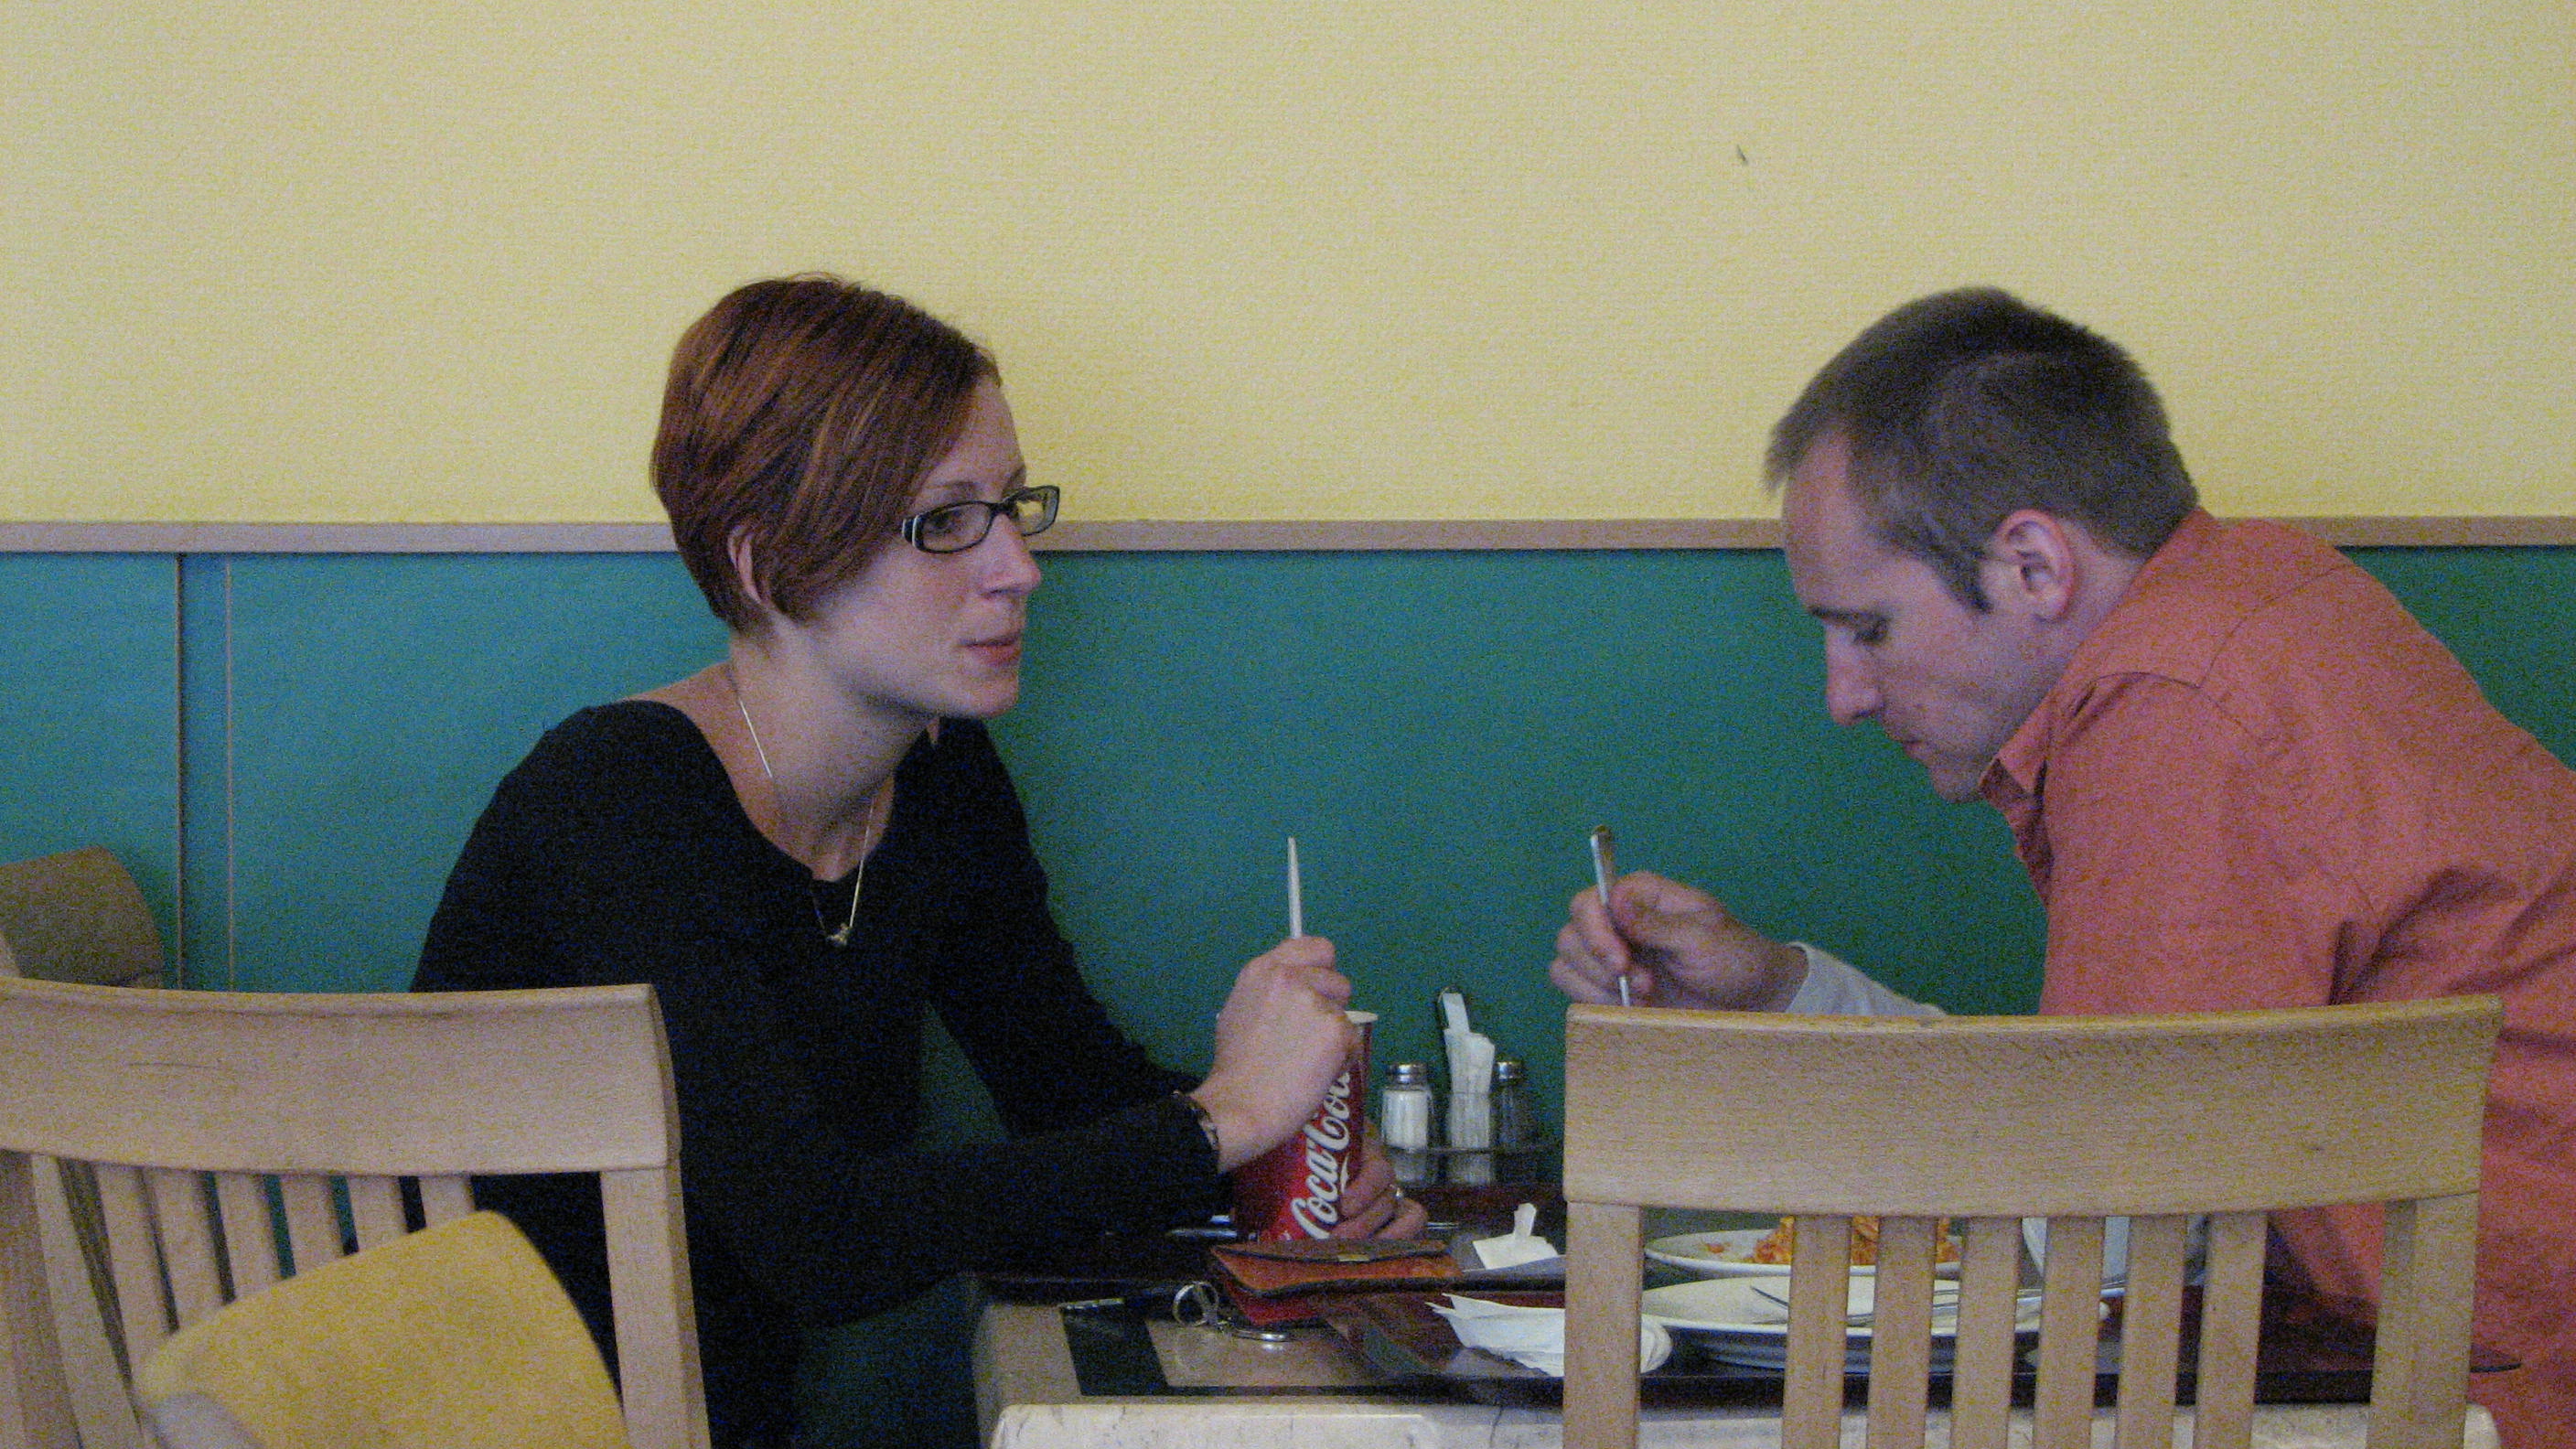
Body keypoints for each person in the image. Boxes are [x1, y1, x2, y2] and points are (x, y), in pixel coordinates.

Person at [1549, 287, 2576, 1444]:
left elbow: (2097, 1223)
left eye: (1867, 629)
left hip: (2500, 1400)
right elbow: (2085, 1135)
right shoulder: (2255, 595)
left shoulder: (2175, 701)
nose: (1842, 696)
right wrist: (1783, 994)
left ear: (2033, 565)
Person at [415, 274, 1425, 1449]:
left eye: (1011, 507)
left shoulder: (940, 776)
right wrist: (1222, 1118)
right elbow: (817, 1239)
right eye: (945, 522)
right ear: (766, 563)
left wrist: (1281, 1167)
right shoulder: (618, 795)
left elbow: (1064, 1087)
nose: (1018, 567)